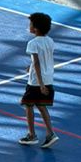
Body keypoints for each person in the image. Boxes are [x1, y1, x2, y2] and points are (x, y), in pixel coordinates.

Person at [20, 12, 57, 147]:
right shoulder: (50, 41)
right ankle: (50, 133)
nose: (29, 26)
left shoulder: (33, 43)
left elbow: (37, 62)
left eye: (30, 24)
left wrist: (40, 84)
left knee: (28, 105)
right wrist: (30, 67)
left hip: (36, 81)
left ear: (35, 28)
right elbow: (45, 58)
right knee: (41, 106)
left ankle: (32, 135)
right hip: (49, 78)